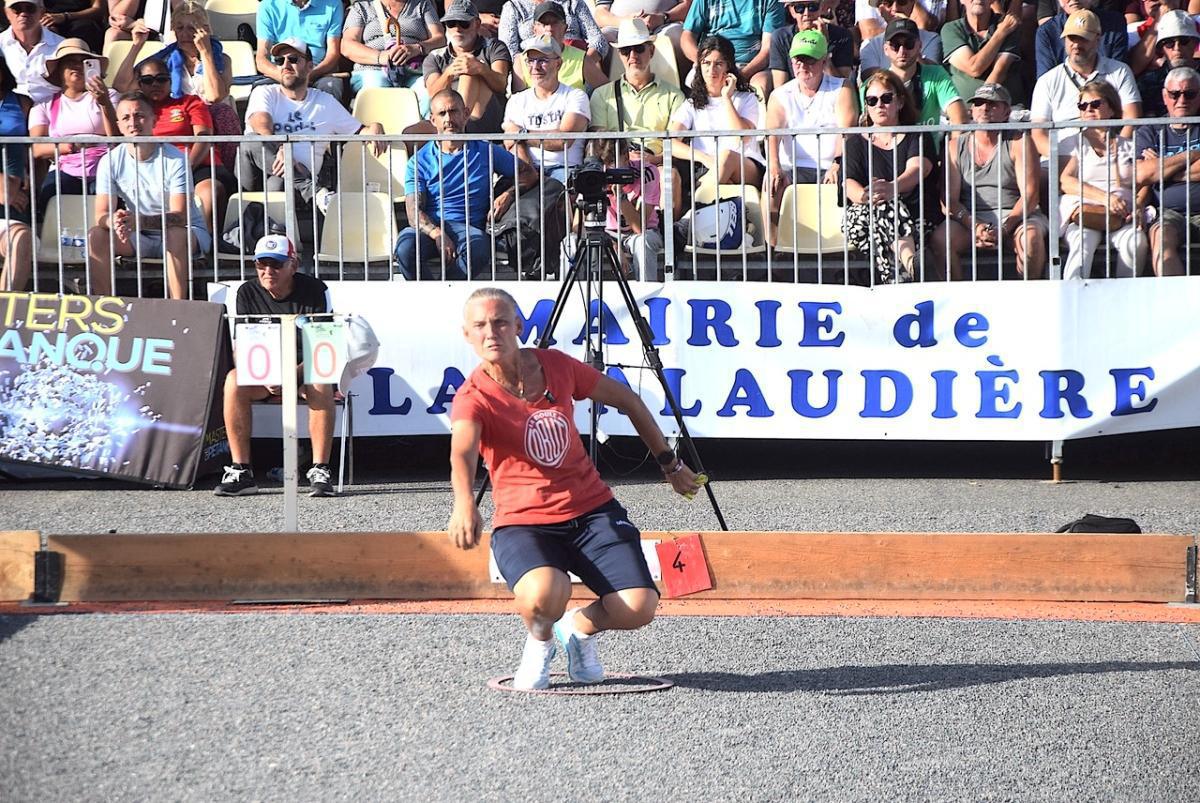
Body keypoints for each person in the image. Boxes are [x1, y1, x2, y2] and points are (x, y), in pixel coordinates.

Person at [448, 286, 702, 690]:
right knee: (548, 591)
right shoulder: (473, 396)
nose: (490, 332)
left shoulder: (556, 366)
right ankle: (540, 641)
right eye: (479, 326)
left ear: (518, 325)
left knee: (639, 606)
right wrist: (464, 503)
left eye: (499, 322)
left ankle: (577, 630)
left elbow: (629, 401)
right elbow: (462, 451)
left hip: (592, 510)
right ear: (467, 335)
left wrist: (669, 464)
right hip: (524, 523)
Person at [215, 234, 337, 499]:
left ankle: (320, 469)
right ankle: (241, 470)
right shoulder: (247, 292)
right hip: (264, 374)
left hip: (304, 371)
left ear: (293, 265)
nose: (268, 271)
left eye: (276, 264)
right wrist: (266, 375)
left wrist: (289, 376)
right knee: (234, 380)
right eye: (261, 264)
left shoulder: (316, 290)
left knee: (321, 379)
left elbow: (324, 348)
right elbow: (242, 348)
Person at [395, 89, 538, 279]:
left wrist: (509, 194)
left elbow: (529, 173)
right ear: (432, 120)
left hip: (470, 228)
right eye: (442, 113)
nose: (448, 119)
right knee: (405, 248)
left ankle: (447, 294)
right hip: (430, 229)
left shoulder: (485, 150)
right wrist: (437, 234)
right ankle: (430, 296)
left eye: (454, 111)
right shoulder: (419, 161)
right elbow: (413, 213)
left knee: (478, 249)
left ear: (466, 113)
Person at [87, 91, 213, 300]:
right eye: (126, 118)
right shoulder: (109, 161)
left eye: (139, 115)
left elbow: (180, 217)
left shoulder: (176, 159)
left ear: (154, 120)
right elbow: (101, 214)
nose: (133, 123)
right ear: (118, 125)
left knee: (175, 233)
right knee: (97, 235)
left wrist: (140, 221)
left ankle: (177, 308)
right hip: (138, 234)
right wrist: (116, 221)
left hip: (186, 232)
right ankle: (104, 307)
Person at [241, 40, 386, 206]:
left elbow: (360, 131)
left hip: (291, 188)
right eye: (280, 61)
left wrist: (375, 126)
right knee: (250, 141)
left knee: (277, 184)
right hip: (255, 176)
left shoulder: (324, 102)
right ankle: (316, 192)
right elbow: (260, 122)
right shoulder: (264, 92)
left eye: (293, 59)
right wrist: (282, 149)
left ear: (310, 66)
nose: (285, 65)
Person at [932, 83, 1049, 280]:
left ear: (1006, 112)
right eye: (979, 103)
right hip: (970, 218)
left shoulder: (1019, 142)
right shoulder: (954, 146)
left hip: (1018, 215)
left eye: (993, 104)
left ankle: (1030, 298)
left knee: (1031, 238)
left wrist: (1005, 227)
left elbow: (1030, 196)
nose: (985, 108)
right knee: (940, 240)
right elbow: (948, 200)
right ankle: (958, 304)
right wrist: (974, 225)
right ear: (972, 111)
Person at [113, 5, 240, 170]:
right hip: (177, 115)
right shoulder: (164, 60)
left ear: (205, 30)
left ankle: (226, 172)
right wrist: (137, 45)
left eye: (191, 28)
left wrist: (206, 52)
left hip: (210, 118)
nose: (185, 34)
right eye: (180, 28)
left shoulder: (222, 59)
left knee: (222, 111)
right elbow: (121, 86)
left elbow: (215, 96)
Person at [842, 70, 938, 283]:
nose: (879, 105)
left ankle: (899, 281)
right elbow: (848, 183)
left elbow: (919, 168)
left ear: (900, 102)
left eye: (886, 98)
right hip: (863, 216)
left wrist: (892, 187)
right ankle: (912, 262)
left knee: (884, 218)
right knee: (882, 206)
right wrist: (870, 197)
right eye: (872, 100)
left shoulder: (917, 136)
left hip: (914, 217)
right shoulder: (855, 142)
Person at [127, 58, 236, 231]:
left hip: (198, 165)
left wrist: (186, 168)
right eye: (148, 80)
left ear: (171, 80)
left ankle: (204, 246)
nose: (155, 84)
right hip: (153, 169)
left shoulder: (190, 102)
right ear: (139, 84)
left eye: (161, 78)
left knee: (210, 192)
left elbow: (203, 137)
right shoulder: (135, 112)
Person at [765, 30, 855, 235]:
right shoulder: (779, 95)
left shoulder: (843, 88)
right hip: (793, 168)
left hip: (831, 166)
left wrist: (837, 163)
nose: (803, 66)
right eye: (798, 60)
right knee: (771, 184)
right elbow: (773, 134)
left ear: (824, 61)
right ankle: (772, 250)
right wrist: (774, 166)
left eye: (810, 60)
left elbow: (846, 131)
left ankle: (843, 252)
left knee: (847, 181)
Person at [1058, 79, 1146, 279]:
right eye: (1083, 106)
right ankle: (1074, 302)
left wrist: (1139, 205)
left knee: (1136, 242)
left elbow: (1143, 181)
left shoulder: (1129, 145)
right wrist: (1105, 198)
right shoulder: (1071, 143)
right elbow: (1066, 181)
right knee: (1082, 244)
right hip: (1085, 214)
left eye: (1096, 104)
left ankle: (1125, 301)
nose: (1089, 110)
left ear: (1112, 109)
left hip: (1123, 215)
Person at [1029, 9, 1140, 157]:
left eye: (1083, 38)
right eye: (1071, 38)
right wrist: (1062, 159)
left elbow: (1132, 118)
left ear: (1097, 39)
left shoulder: (1120, 71)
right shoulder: (1047, 80)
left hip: (1112, 153)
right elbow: (1038, 134)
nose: (1076, 44)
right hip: (1062, 157)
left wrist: (1115, 151)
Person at [29, 38, 117, 219]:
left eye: (82, 62)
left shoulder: (111, 96)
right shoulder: (43, 105)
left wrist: (105, 103)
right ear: (60, 69)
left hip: (105, 166)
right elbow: (36, 148)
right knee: (51, 192)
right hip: (65, 167)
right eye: (70, 62)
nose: (77, 66)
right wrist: (71, 146)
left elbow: (117, 137)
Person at [668, 34, 766, 189]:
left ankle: (699, 205)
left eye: (718, 64)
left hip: (746, 165)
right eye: (706, 63)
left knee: (726, 156)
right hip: (707, 167)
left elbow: (743, 137)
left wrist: (726, 98)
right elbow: (670, 143)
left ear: (728, 66)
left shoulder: (748, 98)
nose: (711, 70)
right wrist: (704, 157)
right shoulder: (691, 104)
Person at [590, 18, 686, 166]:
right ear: (620, 54)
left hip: (658, 166)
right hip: (615, 166)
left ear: (652, 51)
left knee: (671, 178)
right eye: (626, 50)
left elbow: (677, 146)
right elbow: (599, 146)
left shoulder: (674, 96)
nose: (633, 56)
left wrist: (655, 160)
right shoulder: (601, 95)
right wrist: (623, 159)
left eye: (639, 48)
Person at [1135, 65, 1200, 276]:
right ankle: (1177, 305)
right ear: (1165, 96)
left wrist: (1162, 169)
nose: (1182, 100)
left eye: (1189, 94)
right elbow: (1142, 174)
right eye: (1175, 94)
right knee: (1162, 243)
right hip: (1167, 212)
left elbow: (1152, 173)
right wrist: (1191, 156)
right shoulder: (1151, 129)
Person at [502, 34, 591, 184]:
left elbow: (563, 141)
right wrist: (530, 175)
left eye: (542, 60)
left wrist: (521, 134)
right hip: (527, 169)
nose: (535, 67)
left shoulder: (575, 96)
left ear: (558, 64)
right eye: (530, 61)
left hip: (565, 170)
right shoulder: (516, 100)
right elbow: (512, 144)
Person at [873, 17, 967, 147]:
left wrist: (952, 157)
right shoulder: (875, 84)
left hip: (929, 157)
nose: (902, 51)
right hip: (890, 159)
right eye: (895, 45)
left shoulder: (936, 74)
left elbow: (959, 119)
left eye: (909, 44)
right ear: (885, 49)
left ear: (919, 46)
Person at [422, 0, 512, 134]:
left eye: (464, 23)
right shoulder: (435, 56)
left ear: (477, 24)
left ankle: (459, 130)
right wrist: (449, 72)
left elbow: (501, 84)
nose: (457, 29)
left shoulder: (494, 47)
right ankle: (454, 131)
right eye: (451, 23)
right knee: (409, 134)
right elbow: (433, 94)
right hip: (444, 121)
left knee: (469, 72)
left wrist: (481, 69)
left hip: (488, 118)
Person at [342, 0, 445, 113]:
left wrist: (417, 48)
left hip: (414, 70)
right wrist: (381, 57)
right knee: (377, 88)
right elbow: (347, 45)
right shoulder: (361, 8)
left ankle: (419, 128)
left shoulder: (422, 5)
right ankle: (376, 129)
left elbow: (440, 39)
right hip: (373, 69)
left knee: (427, 93)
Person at [680, 0, 787, 97]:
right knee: (696, 82)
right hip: (712, 61)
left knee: (760, 86)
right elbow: (687, 37)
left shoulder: (771, 1)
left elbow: (767, 50)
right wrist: (703, 63)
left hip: (752, 66)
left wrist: (741, 75)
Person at [595, 137, 665, 279]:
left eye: (612, 162)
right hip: (606, 234)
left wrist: (620, 196)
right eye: (604, 163)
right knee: (570, 242)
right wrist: (612, 244)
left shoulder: (647, 172)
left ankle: (646, 297)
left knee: (643, 241)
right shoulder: (594, 174)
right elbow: (580, 224)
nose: (607, 168)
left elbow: (640, 228)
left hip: (642, 232)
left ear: (626, 156)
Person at [255, 0, 347, 102]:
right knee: (260, 91)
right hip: (282, 69)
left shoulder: (333, 3)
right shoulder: (268, 5)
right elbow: (261, 58)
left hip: (318, 72)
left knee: (331, 86)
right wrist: (286, 77)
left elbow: (333, 54)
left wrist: (309, 75)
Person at [941, 0, 1025, 106]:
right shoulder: (951, 29)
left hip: (1002, 111)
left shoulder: (1009, 26)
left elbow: (999, 72)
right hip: (962, 112)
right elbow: (974, 68)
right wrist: (1001, 33)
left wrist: (981, 105)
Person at [512, 1, 608, 92]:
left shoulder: (581, 59)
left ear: (565, 28)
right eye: (544, 24)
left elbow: (608, 91)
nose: (549, 29)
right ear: (535, 30)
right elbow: (518, 102)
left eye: (555, 23)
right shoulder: (521, 61)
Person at [0, 56, 33, 292]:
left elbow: (34, 148)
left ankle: (3, 318)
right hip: (6, 190)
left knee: (20, 239)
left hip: (15, 196)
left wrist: (27, 184)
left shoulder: (22, 102)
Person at [769, 0, 855, 87]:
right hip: (794, 96)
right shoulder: (780, 38)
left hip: (831, 96)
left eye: (813, 6)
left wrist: (823, 45)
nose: (807, 13)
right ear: (792, 11)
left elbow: (842, 86)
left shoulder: (842, 36)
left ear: (821, 7)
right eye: (799, 8)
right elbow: (780, 87)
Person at [499, 0, 610, 65]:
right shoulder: (514, 6)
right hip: (533, 68)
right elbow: (507, 49)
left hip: (576, 63)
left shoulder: (573, 3)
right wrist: (534, 68)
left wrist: (581, 66)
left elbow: (598, 40)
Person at [1036, 0, 1127, 77]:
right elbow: (1046, 79)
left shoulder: (1115, 24)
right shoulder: (1047, 31)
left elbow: (1118, 73)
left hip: (1106, 91)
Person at [1136, 10, 1200, 118]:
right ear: (1161, 48)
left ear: (1194, 43)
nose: (1177, 48)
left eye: (1183, 41)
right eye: (1169, 43)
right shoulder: (1148, 83)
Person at [0, 0, 66, 104]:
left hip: (52, 108)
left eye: (30, 8)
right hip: (11, 109)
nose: (23, 14)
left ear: (42, 12)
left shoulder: (62, 46)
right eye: (16, 9)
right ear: (6, 13)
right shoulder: (0, 44)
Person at [857, 0, 944, 74]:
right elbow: (870, 81)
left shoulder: (931, 39)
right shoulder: (869, 45)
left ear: (912, 4)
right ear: (880, 10)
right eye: (888, 3)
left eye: (902, 1)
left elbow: (934, 75)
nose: (895, 8)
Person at [591, 0, 689, 60]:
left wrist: (663, 17)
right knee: (599, 41)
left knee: (678, 36)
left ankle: (679, 89)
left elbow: (688, 6)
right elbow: (600, 14)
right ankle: (603, 90)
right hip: (619, 27)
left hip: (663, 24)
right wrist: (626, 22)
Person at [857, 0, 949, 42]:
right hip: (880, 51)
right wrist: (901, 28)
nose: (895, 8)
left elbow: (924, 25)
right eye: (887, 2)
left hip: (918, 48)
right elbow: (869, 33)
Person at [39, 0, 104, 52]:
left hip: (80, 19)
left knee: (84, 28)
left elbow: (98, 10)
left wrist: (65, 16)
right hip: (50, 19)